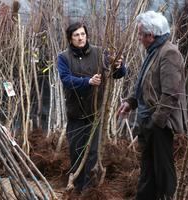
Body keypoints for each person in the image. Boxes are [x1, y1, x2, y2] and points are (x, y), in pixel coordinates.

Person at [117, 11, 187, 200]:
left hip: (160, 125)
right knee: (148, 170)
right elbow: (144, 83)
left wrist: (155, 123)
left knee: (162, 172)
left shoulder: (169, 53)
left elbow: (170, 94)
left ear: (151, 35)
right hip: (149, 121)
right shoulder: (154, 52)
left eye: (140, 34)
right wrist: (130, 102)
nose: (139, 38)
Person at [57, 22, 126, 193]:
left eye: (83, 34)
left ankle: (89, 191)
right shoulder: (64, 57)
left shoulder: (100, 53)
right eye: (76, 35)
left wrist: (119, 66)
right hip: (75, 115)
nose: (81, 38)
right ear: (70, 39)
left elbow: (116, 74)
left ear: (87, 35)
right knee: (76, 152)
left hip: (95, 115)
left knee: (93, 154)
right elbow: (66, 80)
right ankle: (77, 189)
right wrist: (87, 82)